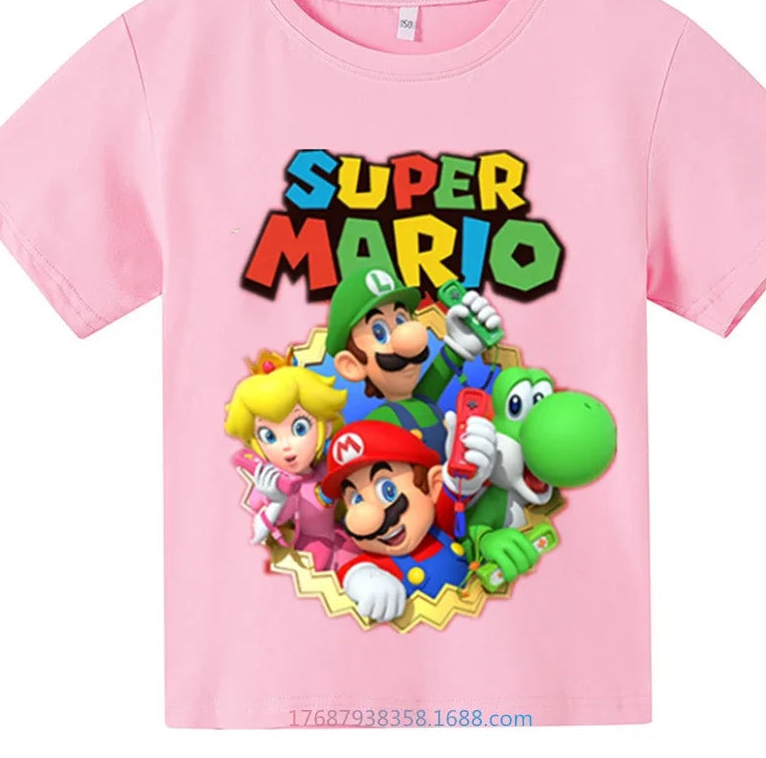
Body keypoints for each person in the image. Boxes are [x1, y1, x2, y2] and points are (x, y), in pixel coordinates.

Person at [322, 419, 539, 622]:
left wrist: (487, 540)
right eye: (356, 499)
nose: (369, 518)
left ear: (432, 485)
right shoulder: (376, 562)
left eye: (388, 490)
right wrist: (362, 579)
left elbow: (455, 501)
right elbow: (349, 572)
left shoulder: (440, 526)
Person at [326, 263, 502, 457]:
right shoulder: (377, 425)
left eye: (401, 320)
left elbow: (441, 371)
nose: (407, 340)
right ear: (351, 365)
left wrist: (462, 343)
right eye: (379, 332)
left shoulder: (423, 398)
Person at [224, 349, 350, 570]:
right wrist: (276, 501)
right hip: (307, 557)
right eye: (269, 436)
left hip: (341, 543)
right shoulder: (269, 485)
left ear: (326, 426)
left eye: (300, 428)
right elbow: (256, 536)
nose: (286, 445)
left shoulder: (327, 467)